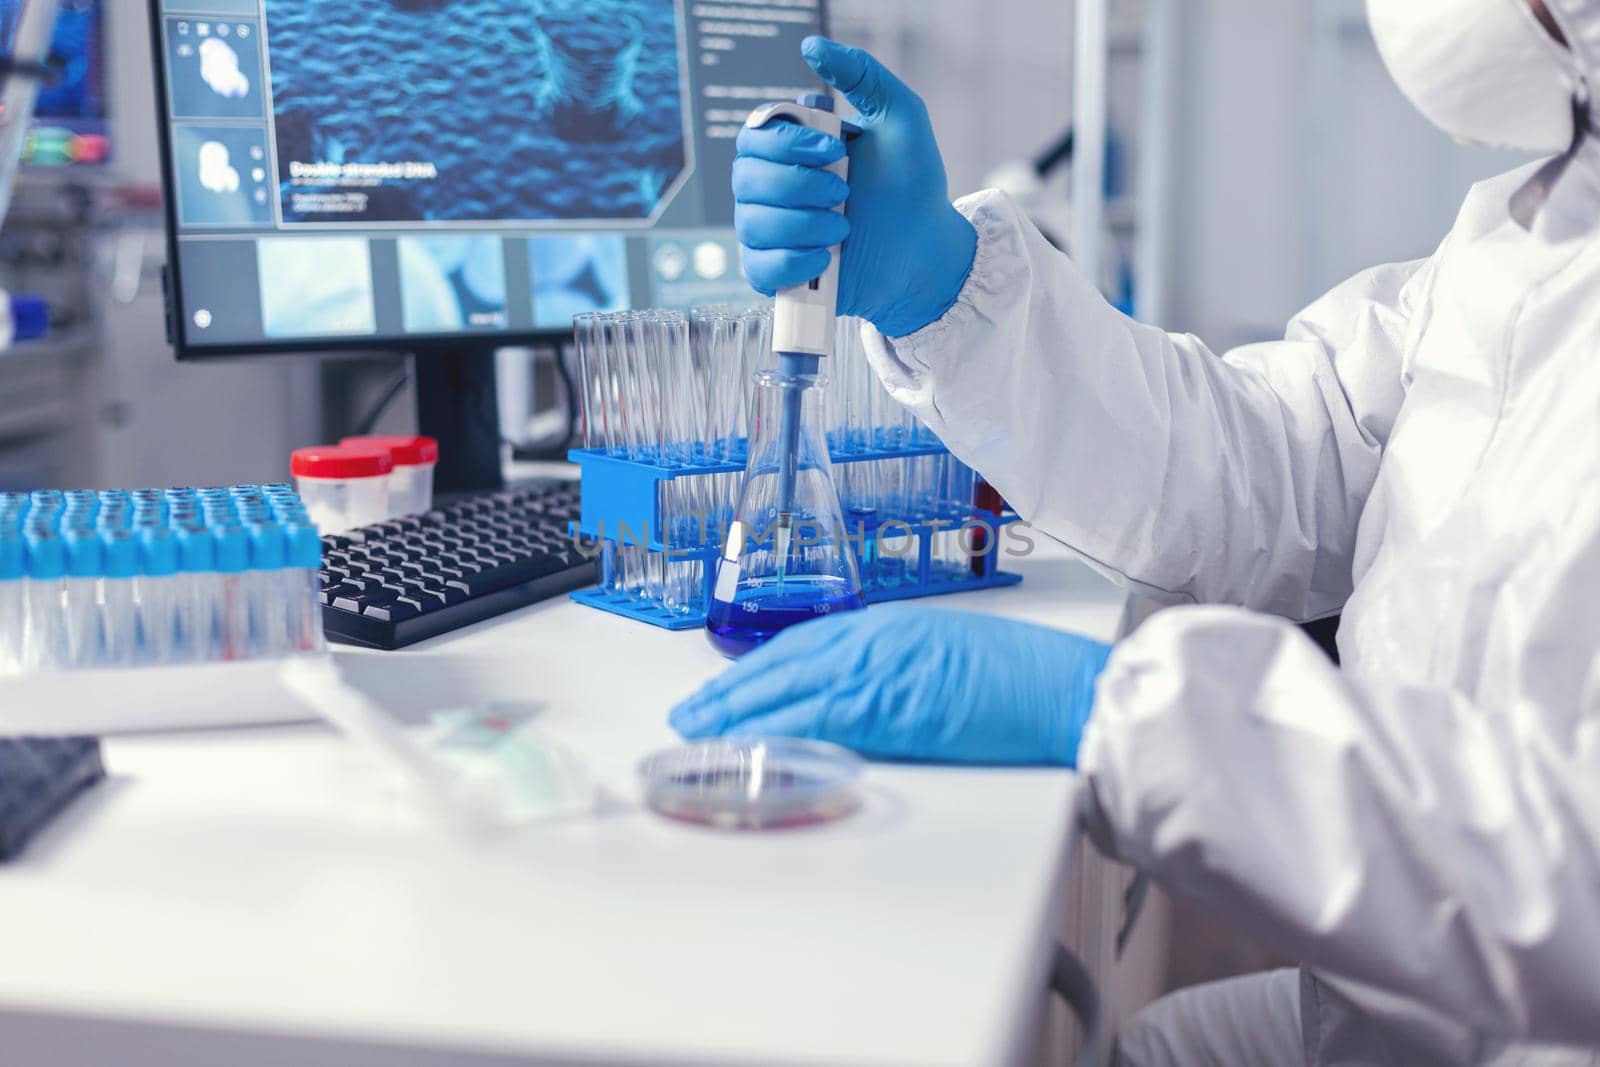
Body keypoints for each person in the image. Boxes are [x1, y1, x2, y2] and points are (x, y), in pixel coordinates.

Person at [669, 0, 1600, 1063]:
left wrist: (1122, 717)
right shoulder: (1537, 235)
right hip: (1409, 1012)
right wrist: (945, 290)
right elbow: (1280, 459)